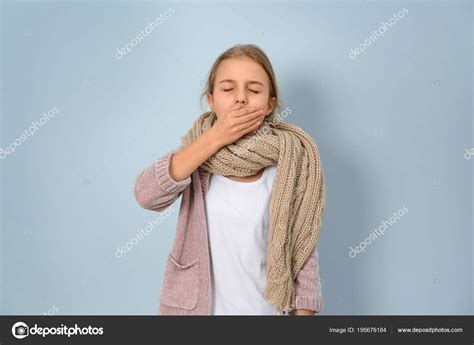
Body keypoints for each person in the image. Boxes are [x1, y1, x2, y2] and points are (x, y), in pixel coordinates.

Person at [134, 44, 326, 316]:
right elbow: (147, 195)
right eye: (228, 89)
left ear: (270, 104)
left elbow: (304, 254)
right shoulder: (195, 159)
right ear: (211, 100)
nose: (241, 99)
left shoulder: (292, 163)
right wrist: (215, 137)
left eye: (254, 90)